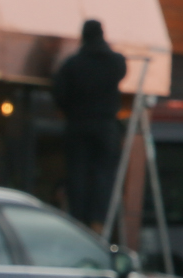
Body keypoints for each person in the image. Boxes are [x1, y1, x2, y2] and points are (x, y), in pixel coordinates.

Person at [49, 19, 129, 232]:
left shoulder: (73, 64)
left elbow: (59, 92)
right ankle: (98, 221)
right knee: (104, 174)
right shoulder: (115, 62)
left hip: (78, 124)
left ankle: (78, 220)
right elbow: (121, 71)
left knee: (78, 173)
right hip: (105, 125)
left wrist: (69, 110)